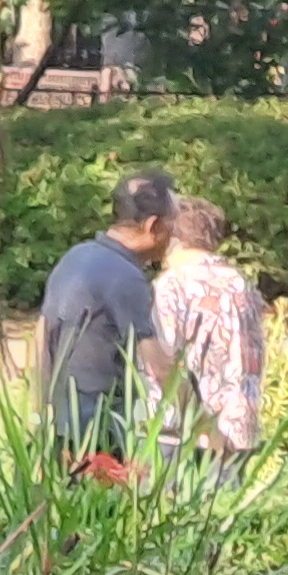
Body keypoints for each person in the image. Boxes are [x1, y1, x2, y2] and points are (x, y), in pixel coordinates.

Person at [38, 170, 177, 455]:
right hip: (99, 430)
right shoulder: (125, 276)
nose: (172, 237)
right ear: (152, 226)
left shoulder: (74, 257)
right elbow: (156, 362)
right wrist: (204, 423)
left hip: (60, 421)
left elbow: (41, 335)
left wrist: (39, 411)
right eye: (170, 226)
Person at [151, 195, 266, 459]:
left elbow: (165, 359)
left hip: (189, 430)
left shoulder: (172, 284)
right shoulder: (240, 283)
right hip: (239, 427)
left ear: (173, 238)